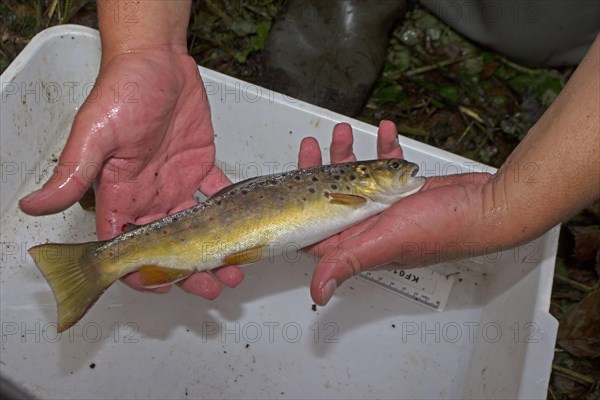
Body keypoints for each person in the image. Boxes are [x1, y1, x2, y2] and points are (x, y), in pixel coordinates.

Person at [19, 1, 599, 307]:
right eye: (392, 170)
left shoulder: (358, 196)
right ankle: (96, 262)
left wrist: (509, 206)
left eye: (393, 169)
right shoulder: (354, 195)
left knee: (534, 27)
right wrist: (145, 44)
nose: (404, 171)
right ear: (367, 183)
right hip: (218, 224)